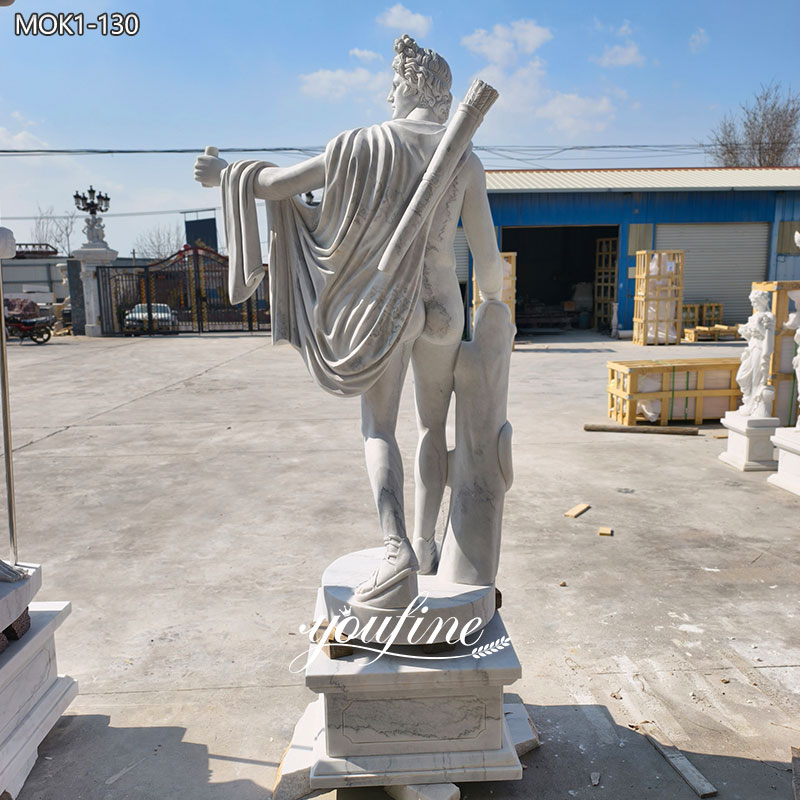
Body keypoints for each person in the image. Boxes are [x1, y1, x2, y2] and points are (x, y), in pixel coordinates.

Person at [194, 35, 504, 605]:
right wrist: (497, 313)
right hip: (442, 303)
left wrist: (225, 173)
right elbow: (489, 265)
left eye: (394, 84)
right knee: (433, 429)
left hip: (386, 307)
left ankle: (396, 547)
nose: (389, 95)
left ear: (410, 85)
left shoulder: (363, 145)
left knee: (379, 429)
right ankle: (426, 543)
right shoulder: (465, 157)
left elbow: (276, 186)